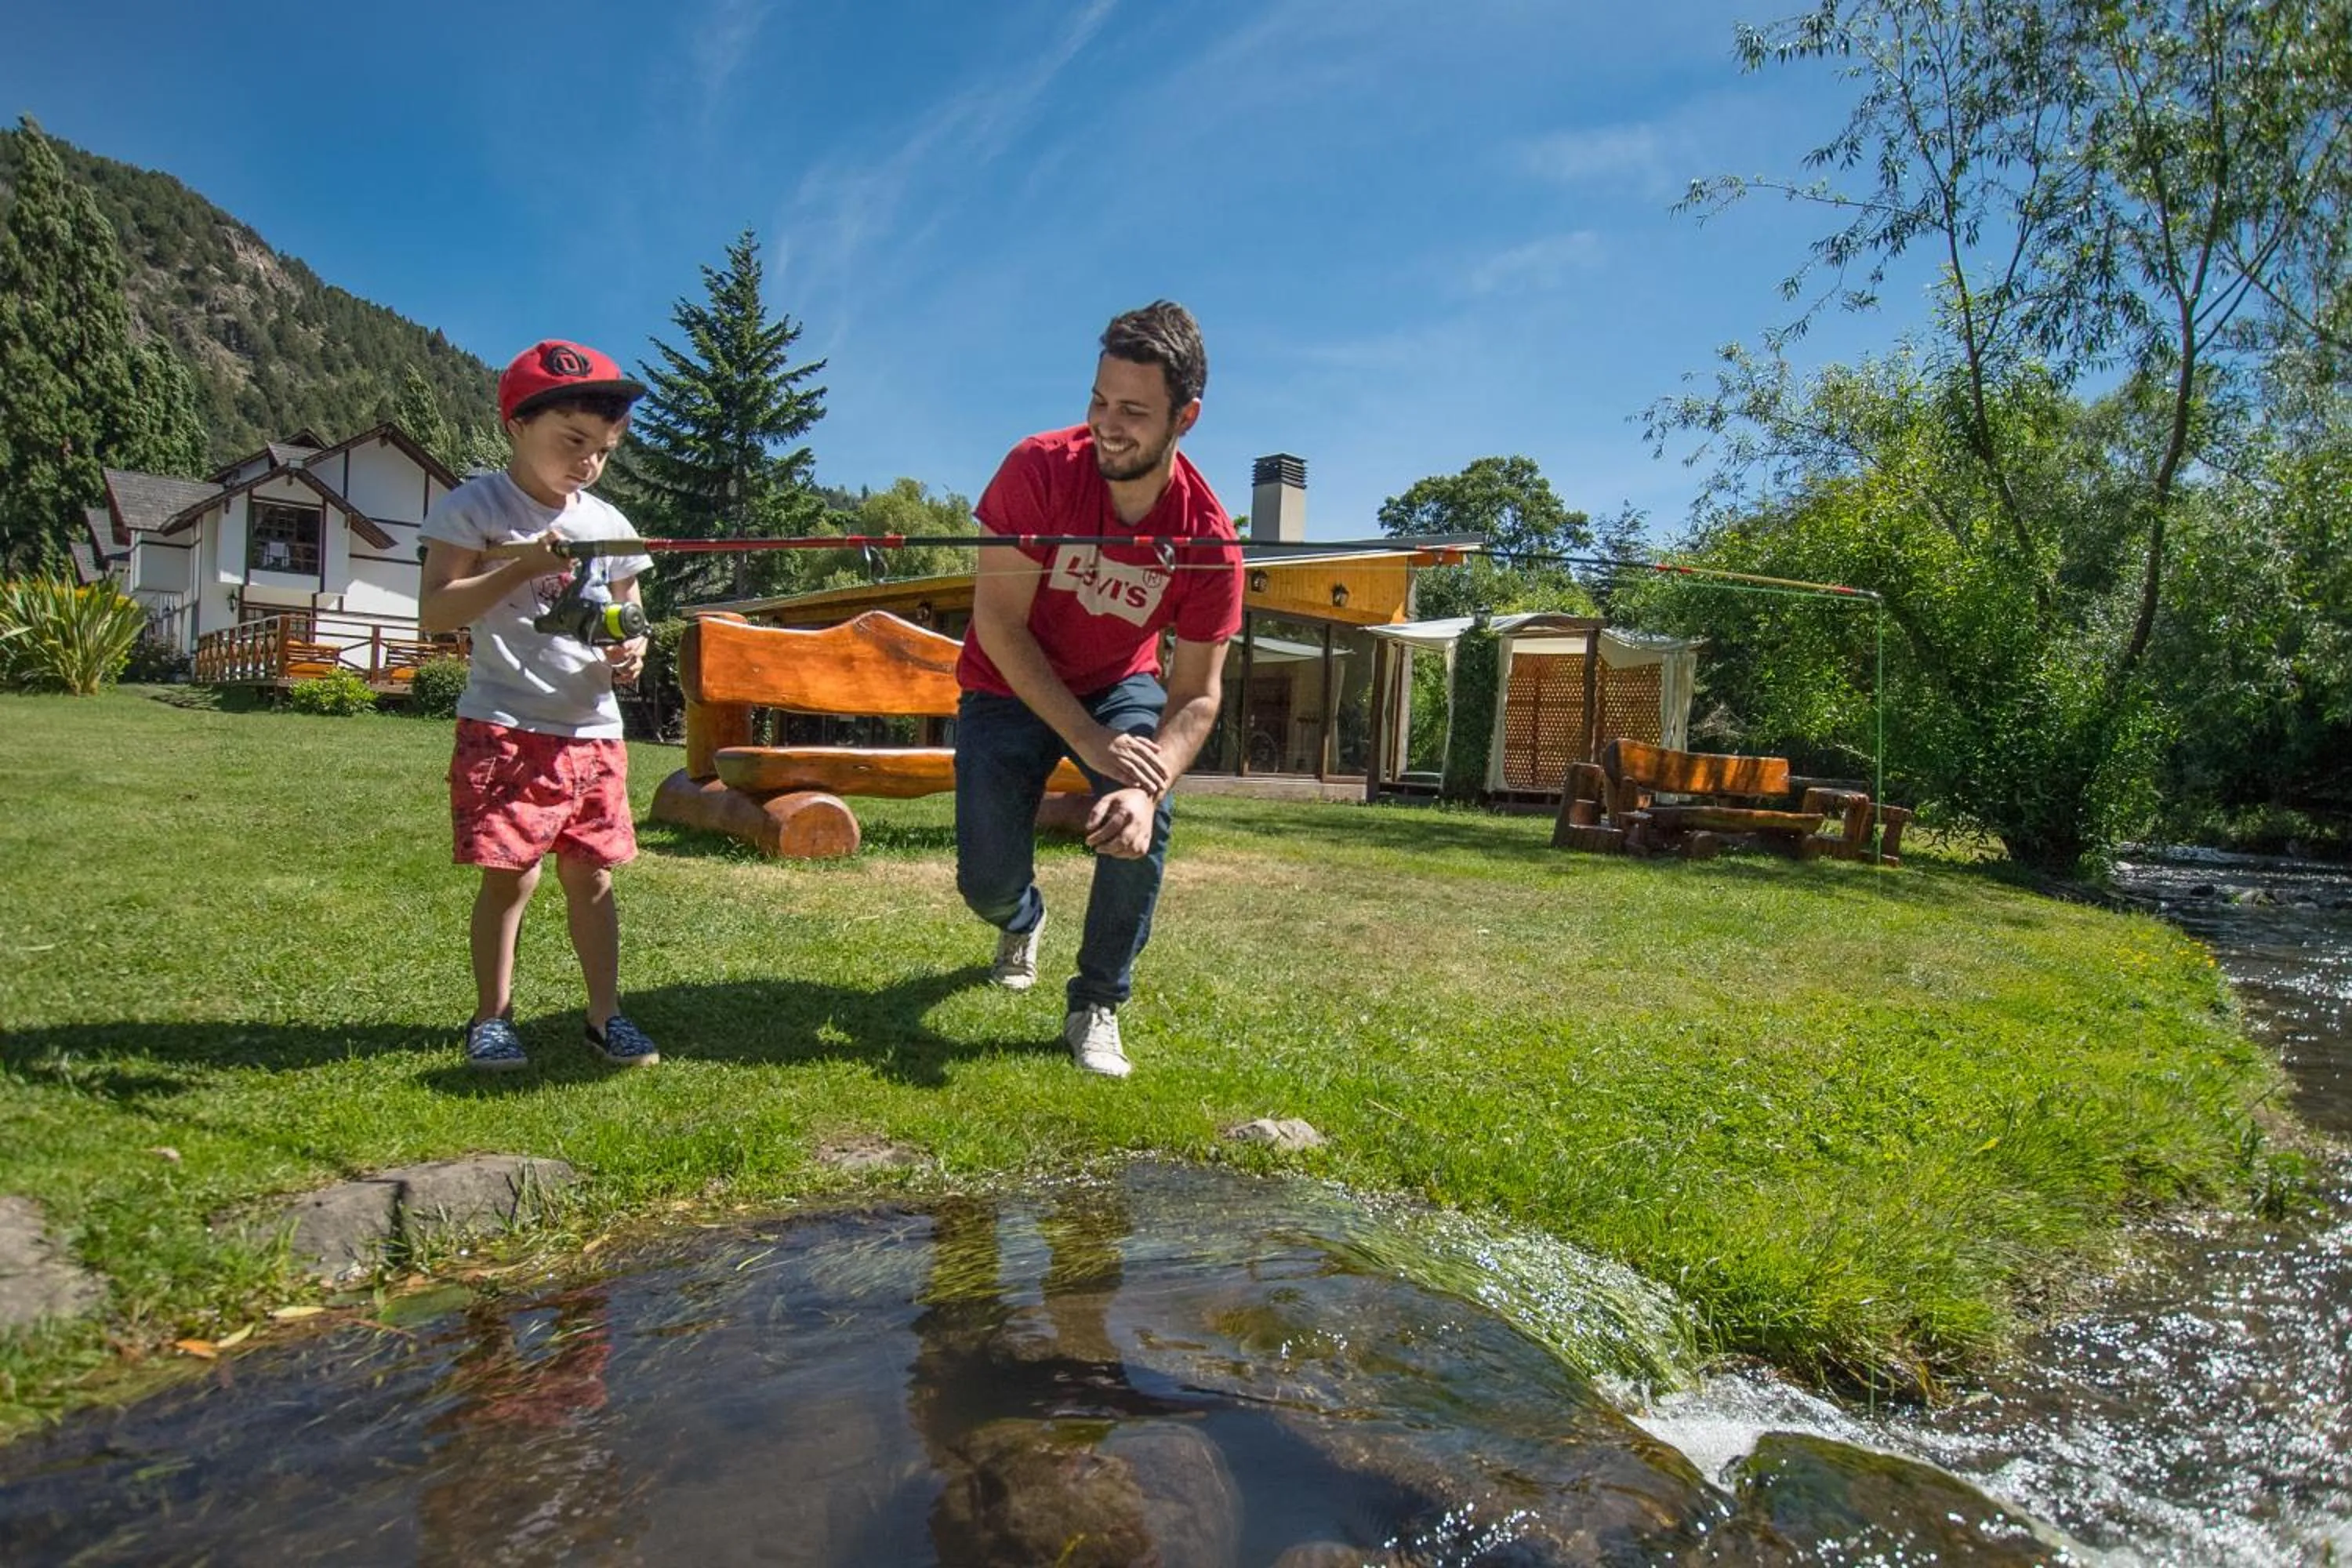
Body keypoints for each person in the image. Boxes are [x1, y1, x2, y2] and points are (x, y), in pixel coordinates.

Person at [954, 301, 1243, 1078]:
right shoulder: (1036, 469)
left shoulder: (1209, 538)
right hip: (1005, 682)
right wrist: (1087, 739)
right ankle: (1019, 916)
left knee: (1143, 807)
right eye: (1098, 401)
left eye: (1134, 412)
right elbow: (1001, 626)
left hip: (1122, 686)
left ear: (1187, 416)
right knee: (982, 880)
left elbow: (1197, 696)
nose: (1108, 426)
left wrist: (1144, 791)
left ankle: (1097, 999)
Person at [417, 339, 659, 1072]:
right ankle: (492, 1018)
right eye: (573, 441)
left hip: (593, 730)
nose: (588, 461)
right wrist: (520, 563)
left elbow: (631, 609)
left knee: (593, 877)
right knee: (511, 875)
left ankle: (605, 1016)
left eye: (604, 449)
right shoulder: (475, 507)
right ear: (517, 426)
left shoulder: (610, 522)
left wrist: (632, 649)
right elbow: (435, 613)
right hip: (507, 725)